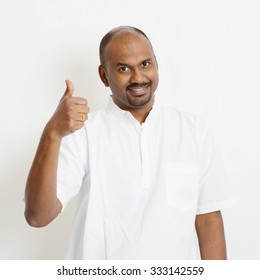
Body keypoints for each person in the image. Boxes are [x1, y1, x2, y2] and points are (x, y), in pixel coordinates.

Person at [24, 26, 234, 260]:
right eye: (123, 68)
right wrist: (52, 133)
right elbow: (37, 216)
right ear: (104, 76)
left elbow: (208, 220)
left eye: (145, 64)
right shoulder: (83, 134)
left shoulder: (193, 131)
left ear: (156, 63)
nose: (138, 78)